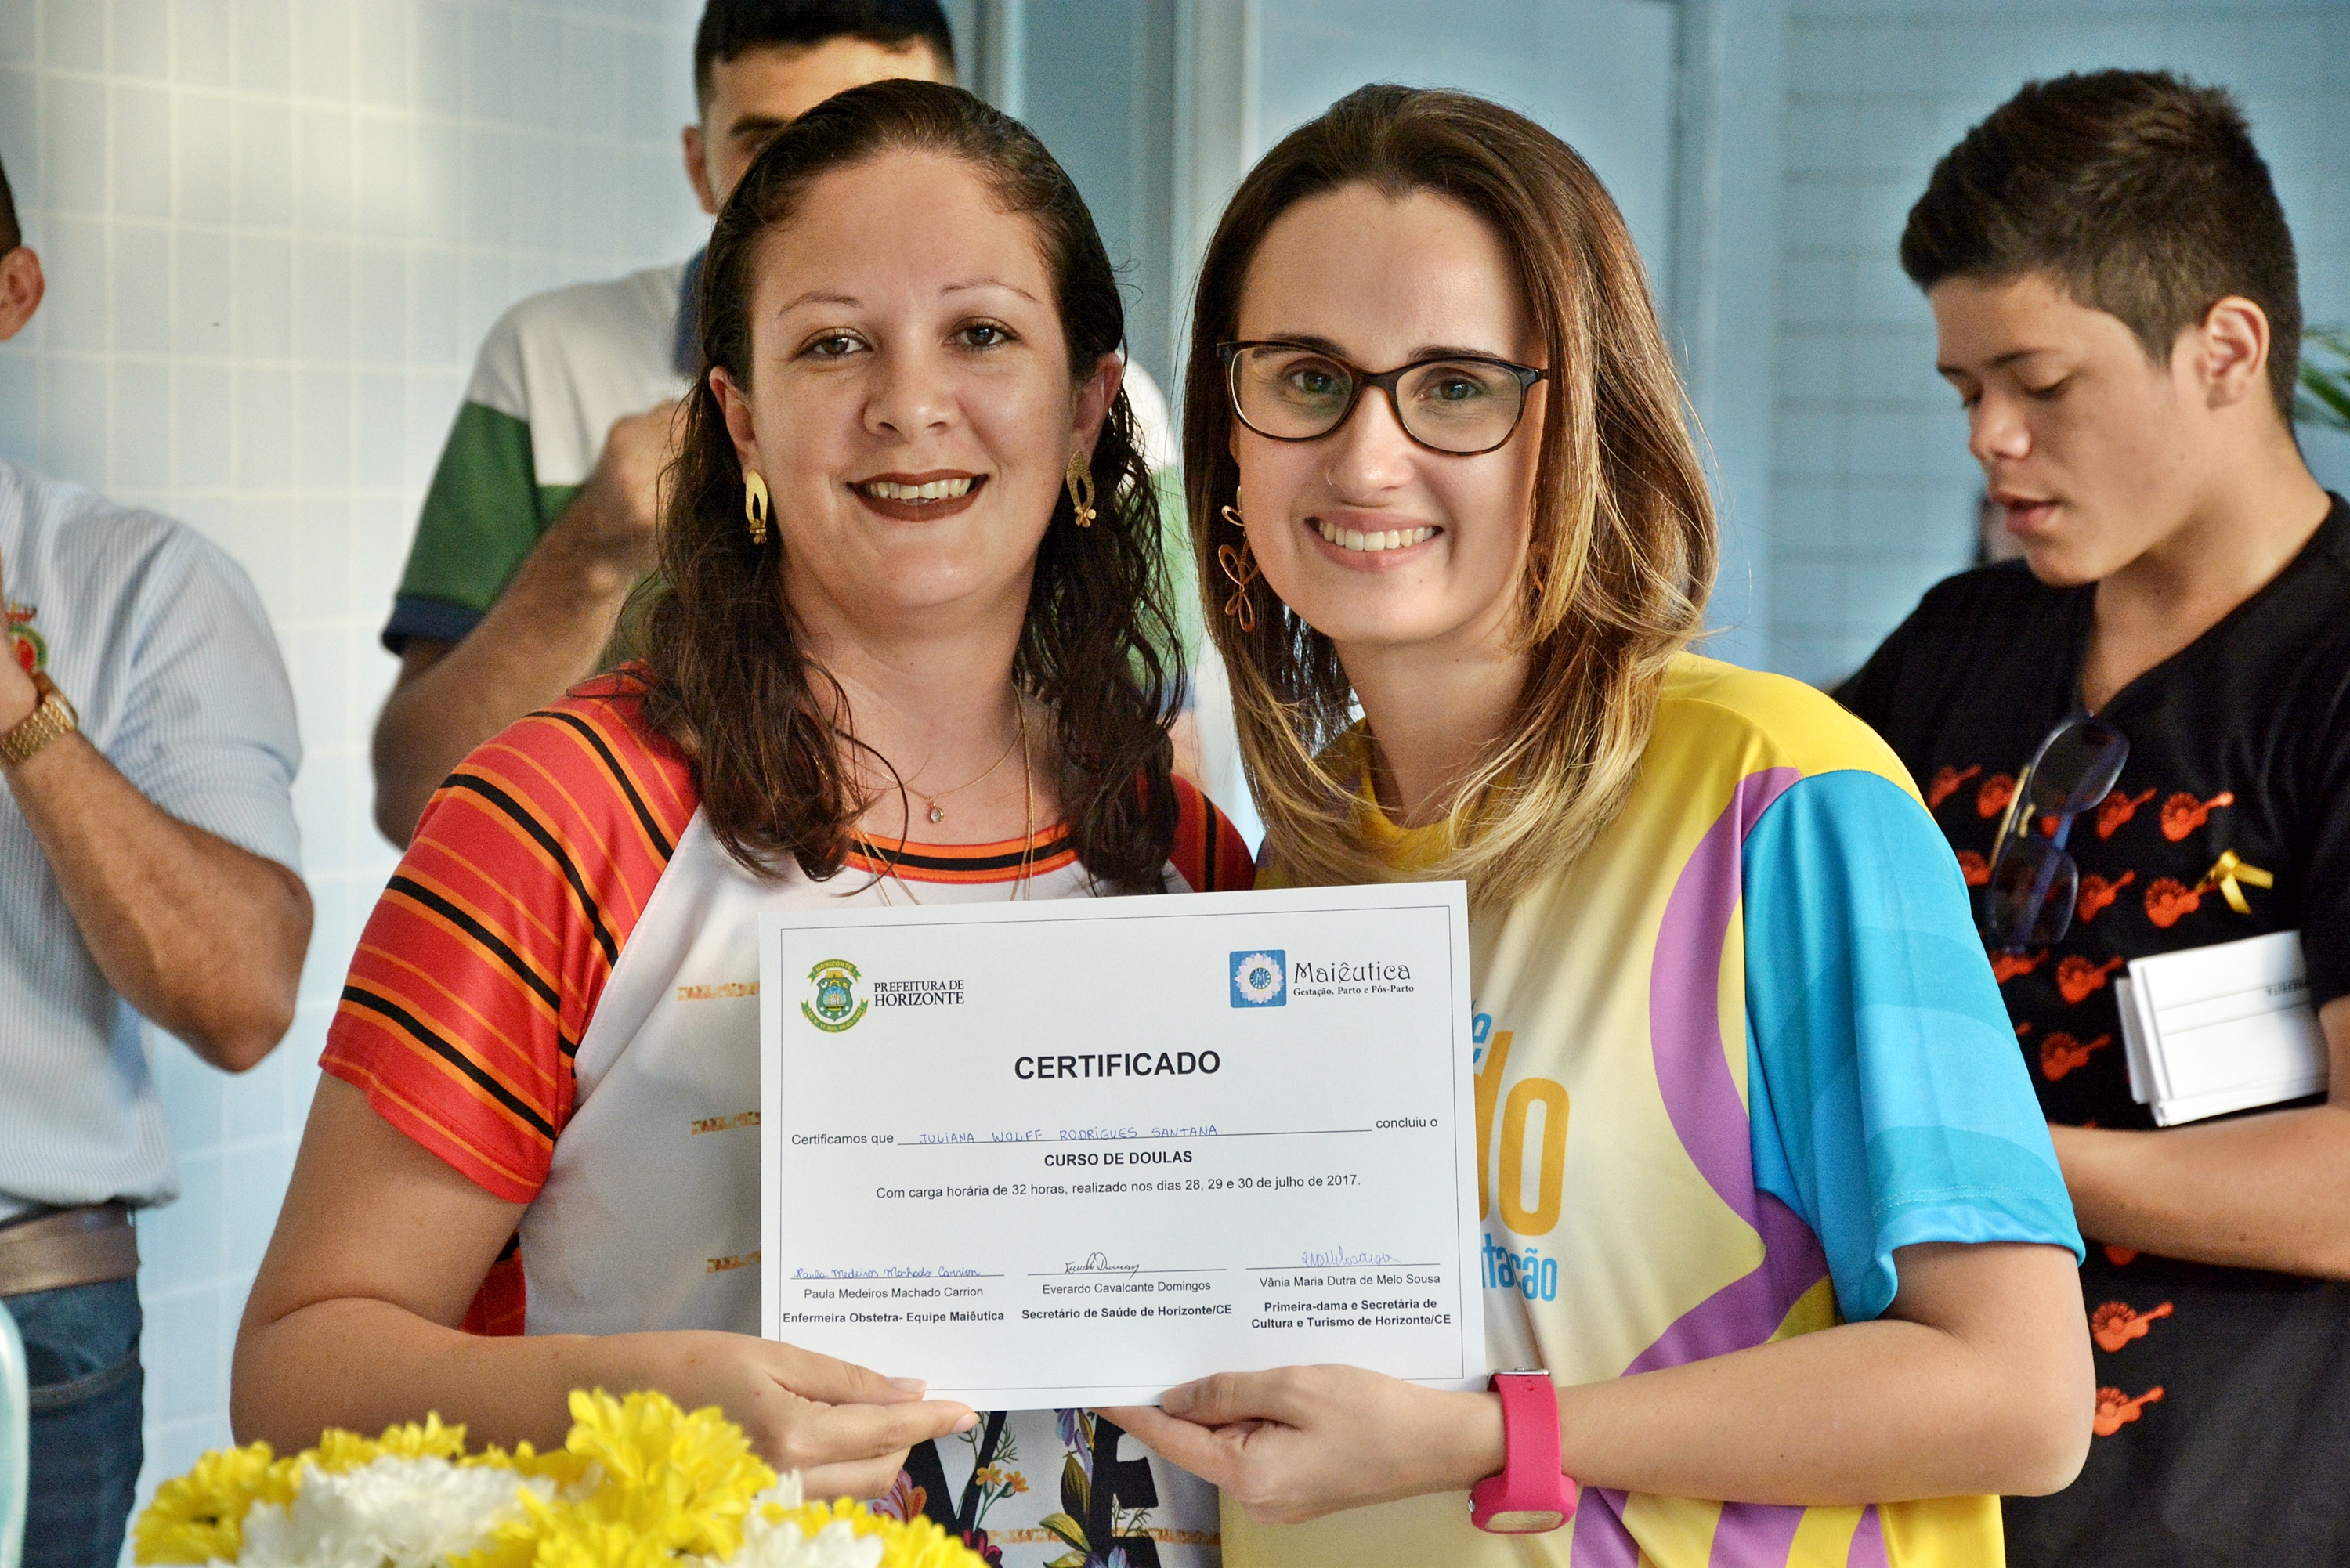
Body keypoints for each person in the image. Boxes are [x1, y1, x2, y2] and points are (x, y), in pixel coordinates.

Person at [236, 80, 1252, 1568]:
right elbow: (295, 1373)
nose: (910, 404)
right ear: (741, 419)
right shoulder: (559, 820)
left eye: (982, 335)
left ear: (1090, 406)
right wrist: (642, 1405)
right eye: (834, 343)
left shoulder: (1176, 850)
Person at [1104, 85, 2095, 1566]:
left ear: (1586, 428)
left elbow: (2018, 1393)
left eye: (1455, 387)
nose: (1366, 458)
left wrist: (1498, 1437)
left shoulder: (1779, 796)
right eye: (1306, 377)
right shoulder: (1307, 857)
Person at [1834, 70, 2350, 1568]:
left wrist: (1963, 1155)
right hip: (1913, 1502)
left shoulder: (2327, 673)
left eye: (2040, 384)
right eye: (1966, 392)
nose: (1992, 437)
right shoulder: (1957, 646)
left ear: (2226, 349)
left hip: (2224, 1517)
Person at [367, 0, 958, 846]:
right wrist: (593, 552)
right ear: (700, 165)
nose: (820, 196)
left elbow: (1134, 783)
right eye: (766, 146)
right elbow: (416, 800)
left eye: (871, 139)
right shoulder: (551, 361)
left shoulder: (1078, 410)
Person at [0, 154, 311, 1568]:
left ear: (13, 294)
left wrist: (23, 713)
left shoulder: (144, 585)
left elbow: (242, 998)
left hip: (25, 1331)